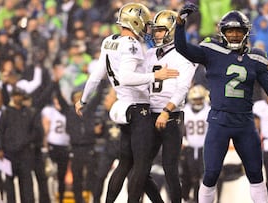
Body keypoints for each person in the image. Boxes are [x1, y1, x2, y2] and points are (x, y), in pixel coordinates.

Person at [174, 5, 268, 203]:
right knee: (211, 174)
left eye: (239, 31)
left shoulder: (256, 57)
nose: (235, 35)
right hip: (219, 120)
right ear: (223, 33)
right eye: (230, 31)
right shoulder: (211, 50)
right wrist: (180, 24)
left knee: (256, 175)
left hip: (245, 122)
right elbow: (182, 48)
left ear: (246, 32)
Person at [74, 3, 179, 202]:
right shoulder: (132, 45)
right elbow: (126, 77)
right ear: (135, 22)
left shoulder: (109, 41)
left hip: (124, 107)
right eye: (145, 24)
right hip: (139, 109)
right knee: (141, 166)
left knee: (125, 163)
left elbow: (96, 76)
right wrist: (156, 75)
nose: (148, 29)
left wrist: (83, 99)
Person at [143, 9, 197, 203]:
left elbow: (183, 88)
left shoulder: (183, 55)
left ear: (172, 31)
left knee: (170, 170)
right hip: (149, 115)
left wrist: (166, 110)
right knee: (140, 169)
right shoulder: (149, 54)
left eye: (160, 30)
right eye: (155, 30)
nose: (156, 34)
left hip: (171, 116)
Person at [181, 84, 210, 203]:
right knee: (188, 177)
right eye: (195, 99)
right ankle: (187, 198)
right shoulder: (185, 110)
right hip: (189, 148)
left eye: (200, 99)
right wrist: (183, 139)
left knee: (203, 178)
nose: (198, 102)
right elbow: (181, 128)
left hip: (204, 148)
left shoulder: (208, 110)